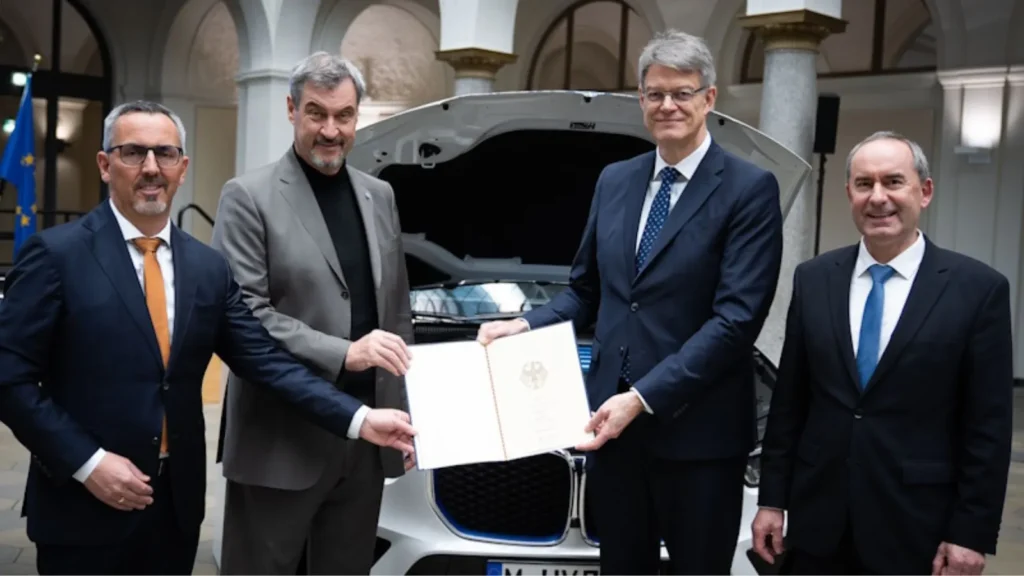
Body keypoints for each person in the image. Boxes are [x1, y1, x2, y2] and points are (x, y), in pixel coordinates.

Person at [0, 100, 416, 576]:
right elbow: (9, 380)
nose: (151, 168)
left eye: (165, 153)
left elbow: (263, 360)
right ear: (104, 163)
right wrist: (88, 463)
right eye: (133, 153)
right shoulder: (56, 256)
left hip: (174, 507)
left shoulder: (206, 267)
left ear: (183, 167)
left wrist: (360, 419)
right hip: (83, 505)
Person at [478, 30, 783, 574]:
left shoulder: (749, 189)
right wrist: (524, 325)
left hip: (699, 438)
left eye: (682, 93)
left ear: (709, 99)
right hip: (610, 432)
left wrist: (642, 398)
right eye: (655, 93)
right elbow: (585, 290)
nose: (668, 105)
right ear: (641, 99)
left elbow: (735, 322)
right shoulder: (614, 181)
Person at [751, 131, 1013, 575]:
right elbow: (790, 404)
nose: (878, 198)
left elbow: (987, 426)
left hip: (916, 528)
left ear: (924, 191)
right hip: (818, 524)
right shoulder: (815, 279)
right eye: (864, 184)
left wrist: (971, 531)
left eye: (893, 182)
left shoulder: (977, 290)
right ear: (848, 192)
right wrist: (772, 500)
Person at [210, 51, 415, 575]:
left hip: (366, 446)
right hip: (279, 441)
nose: (331, 130)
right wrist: (345, 352)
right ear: (291, 109)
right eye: (317, 113)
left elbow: (394, 315)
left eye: (344, 116)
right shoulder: (246, 196)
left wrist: (413, 417)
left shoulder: (380, 195)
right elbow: (245, 316)